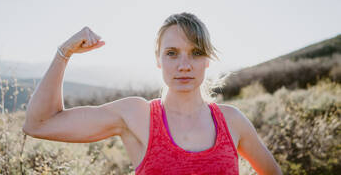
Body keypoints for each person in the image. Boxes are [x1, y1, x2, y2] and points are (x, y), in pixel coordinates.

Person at [23, 12, 282, 174]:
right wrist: (64, 53)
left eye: (196, 53)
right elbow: (39, 124)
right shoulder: (137, 115)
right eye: (172, 53)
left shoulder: (231, 121)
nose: (184, 65)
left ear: (207, 60)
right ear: (158, 60)